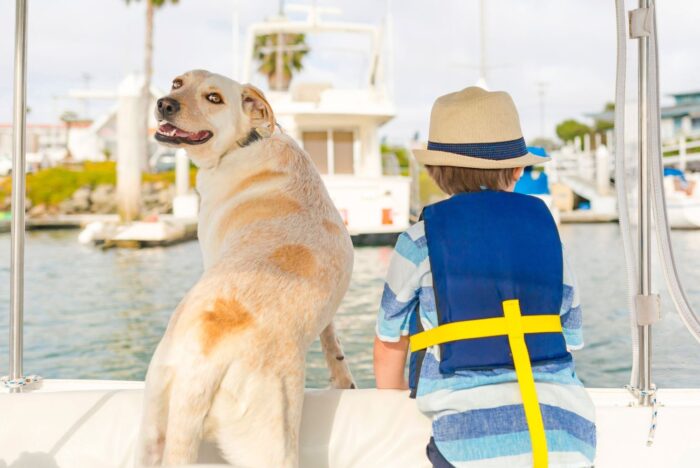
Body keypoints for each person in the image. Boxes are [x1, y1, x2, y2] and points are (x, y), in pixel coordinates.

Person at [373, 87, 596, 467]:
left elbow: (389, 341)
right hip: (568, 437)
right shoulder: (549, 234)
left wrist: (391, 402)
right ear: (518, 169)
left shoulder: (419, 239)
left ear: (434, 171)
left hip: (466, 444)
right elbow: (570, 337)